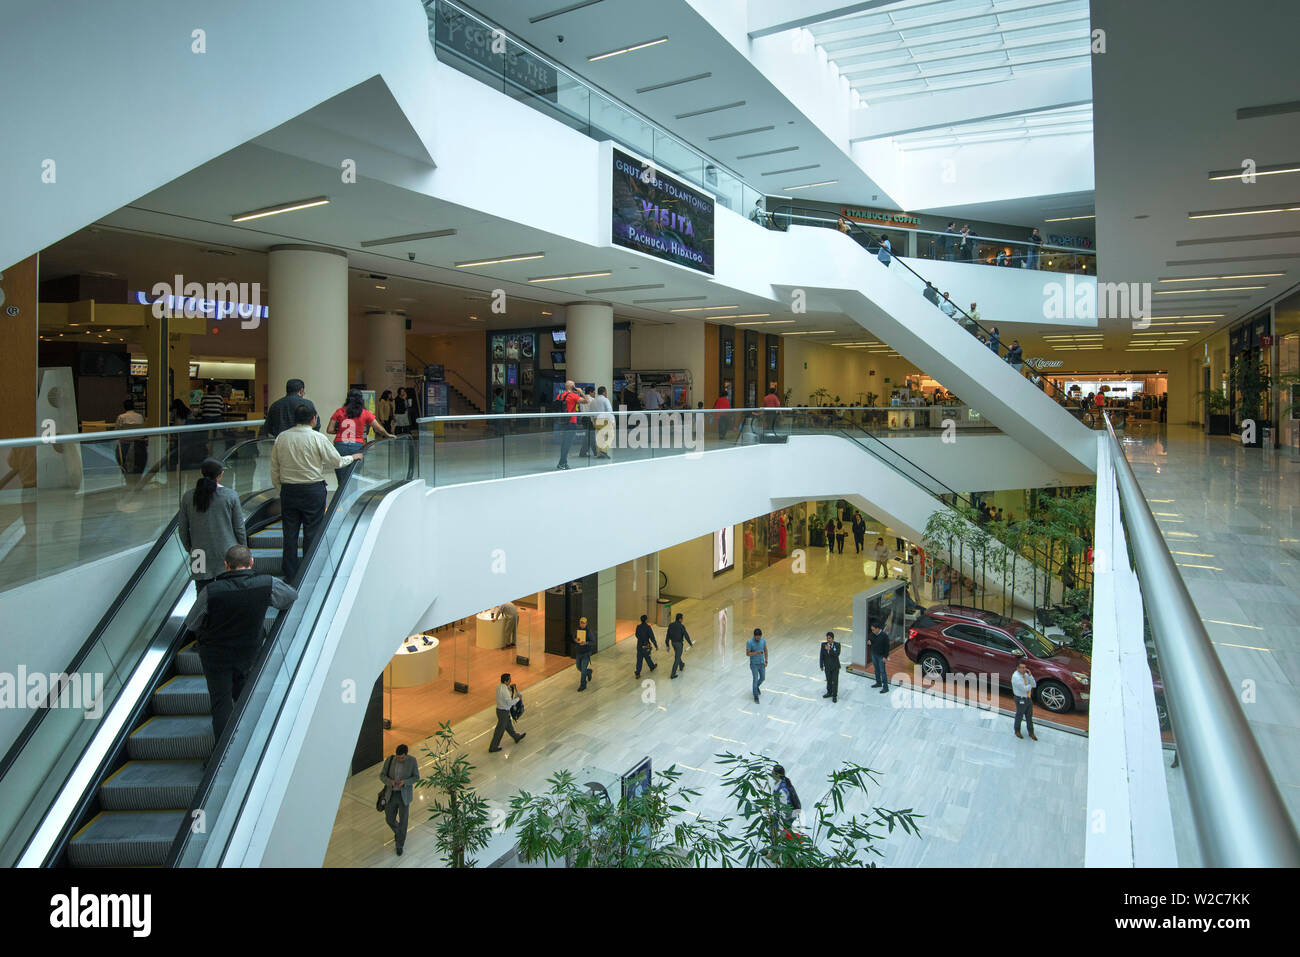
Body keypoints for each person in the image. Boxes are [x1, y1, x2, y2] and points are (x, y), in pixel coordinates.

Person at [189, 544, 297, 739]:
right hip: (248, 652)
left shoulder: (212, 590)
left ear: (226, 565)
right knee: (245, 698)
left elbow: (193, 623)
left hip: (215, 656)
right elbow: (290, 597)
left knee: (221, 703)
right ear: (251, 562)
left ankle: (221, 752)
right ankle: (248, 741)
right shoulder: (266, 584)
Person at [270, 404, 363, 582]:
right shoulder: (317, 438)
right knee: (312, 531)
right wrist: (353, 457)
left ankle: (290, 572)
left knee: (289, 532)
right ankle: (308, 571)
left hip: (289, 490)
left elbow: (274, 468)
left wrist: (281, 489)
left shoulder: (282, 438)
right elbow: (336, 461)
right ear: (314, 418)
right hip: (313, 490)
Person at [178, 457, 247, 590]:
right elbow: (239, 528)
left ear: (201, 472)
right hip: (228, 552)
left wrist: (191, 549)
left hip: (199, 553)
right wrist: (243, 549)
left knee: (203, 595)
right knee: (228, 590)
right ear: (220, 475)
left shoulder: (188, 497)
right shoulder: (230, 496)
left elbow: (183, 529)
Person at [328, 389, 393, 487]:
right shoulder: (365, 413)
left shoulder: (339, 411)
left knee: (341, 478)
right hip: (356, 447)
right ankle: (352, 498)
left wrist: (339, 431)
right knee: (354, 477)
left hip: (340, 445)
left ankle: (341, 498)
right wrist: (388, 434)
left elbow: (329, 429)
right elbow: (378, 428)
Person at [380, 743, 420, 856]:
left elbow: (416, 777)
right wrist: (390, 782)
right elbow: (382, 776)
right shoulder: (390, 760)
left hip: (404, 796)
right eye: (398, 757)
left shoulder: (412, 761)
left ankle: (399, 845)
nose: (399, 760)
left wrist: (405, 782)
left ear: (406, 755)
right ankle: (399, 833)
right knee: (389, 819)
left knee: (404, 822)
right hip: (391, 794)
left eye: (402, 758)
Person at [554, 379, 589, 470]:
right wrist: (581, 392)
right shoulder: (573, 396)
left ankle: (563, 462)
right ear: (572, 387)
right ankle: (562, 463)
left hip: (562, 422)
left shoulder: (559, 395)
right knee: (567, 443)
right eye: (574, 386)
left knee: (564, 443)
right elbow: (586, 401)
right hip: (571, 422)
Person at [488, 673, 526, 752]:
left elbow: (504, 693)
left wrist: (510, 687)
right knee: (500, 730)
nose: (510, 680)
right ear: (506, 681)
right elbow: (509, 703)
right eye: (509, 679)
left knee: (508, 725)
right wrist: (518, 698)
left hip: (500, 710)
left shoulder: (500, 686)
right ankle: (493, 747)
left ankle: (516, 737)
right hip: (503, 712)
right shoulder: (504, 691)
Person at [114, 398, 146, 474]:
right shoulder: (140, 416)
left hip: (124, 442)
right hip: (138, 444)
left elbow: (116, 431)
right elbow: (143, 431)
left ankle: (123, 469)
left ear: (124, 407)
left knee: (118, 453)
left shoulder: (121, 417)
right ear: (133, 406)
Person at [1011, 660, 1038, 740]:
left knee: (1029, 716)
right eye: (1022, 668)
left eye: (1025, 667)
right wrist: (1030, 685)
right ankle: (1017, 731)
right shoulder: (1016, 677)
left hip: (1028, 698)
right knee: (1019, 715)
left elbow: (1034, 684)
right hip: (1020, 699)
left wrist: (1030, 676)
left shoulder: (1025, 675)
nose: (1024, 669)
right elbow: (1024, 689)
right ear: (1018, 668)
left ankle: (1031, 732)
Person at [667, 611, 693, 679]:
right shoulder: (681, 626)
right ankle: (672, 674)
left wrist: (667, 644)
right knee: (677, 658)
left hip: (673, 643)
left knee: (677, 655)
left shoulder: (671, 625)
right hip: (679, 644)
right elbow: (686, 635)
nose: (682, 620)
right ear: (680, 619)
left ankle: (681, 665)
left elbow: (668, 635)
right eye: (682, 618)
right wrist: (690, 643)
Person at [590, 386, 614, 459]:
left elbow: (591, 412)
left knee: (599, 436)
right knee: (610, 435)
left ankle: (599, 454)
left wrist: (592, 421)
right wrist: (612, 421)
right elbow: (609, 411)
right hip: (604, 420)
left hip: (596, 420)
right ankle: (604, 450)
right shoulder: (605, 400)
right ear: (604, 392)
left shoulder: (593, 401)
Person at [868, 618, 890, 693]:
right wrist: (869, 643)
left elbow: (887, 647)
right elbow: (870, 640)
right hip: (874, 654)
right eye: (872, 630)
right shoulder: (872, 634)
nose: (872, 631)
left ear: (878, 629)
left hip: (881, 656)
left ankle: (885, 687)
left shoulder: (884, 636)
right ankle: (878, 683)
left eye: (873, 629)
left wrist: (885, 657)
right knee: (876, 670)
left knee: (882, 671)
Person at [746, 627, 768, 703]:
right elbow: (747, 653)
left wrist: (766, 661)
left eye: (759, 637)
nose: (758, 638)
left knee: (762, 678)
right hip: (754, 664)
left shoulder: (763, 640)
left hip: (762, 663)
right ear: (754, 636)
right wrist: (756, 653)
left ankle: (756, 687)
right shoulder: (749, 642)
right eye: (757, 637)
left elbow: (765, 650)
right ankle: (756, 696)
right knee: (755, 679)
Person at [819, 631, 842, 702]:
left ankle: (834, 695)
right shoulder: (823, 645)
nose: (828, 640)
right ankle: (829, 692)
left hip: (835, 667)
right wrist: (821, 665)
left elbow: (837, 654)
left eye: (829, 638)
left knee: (835, 681)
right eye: (827, 638)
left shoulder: (837, 645)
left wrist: (830, 649)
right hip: (827, 667)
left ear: (833, 638)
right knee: (828, 680)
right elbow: (821, 655)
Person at [573, 617, 594, 691]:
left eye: (583, 623)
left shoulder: (589, 632)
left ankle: (583, 684)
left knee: (583, 669)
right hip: (579, 652)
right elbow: (574, 637)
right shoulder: (577, 630)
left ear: (586, 624)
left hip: (586, 653)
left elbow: (592, 642)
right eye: (581, 622)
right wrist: (575, 640)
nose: (582, 624)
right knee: (579, 667)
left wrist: (586, 643)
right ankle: (589, 672)